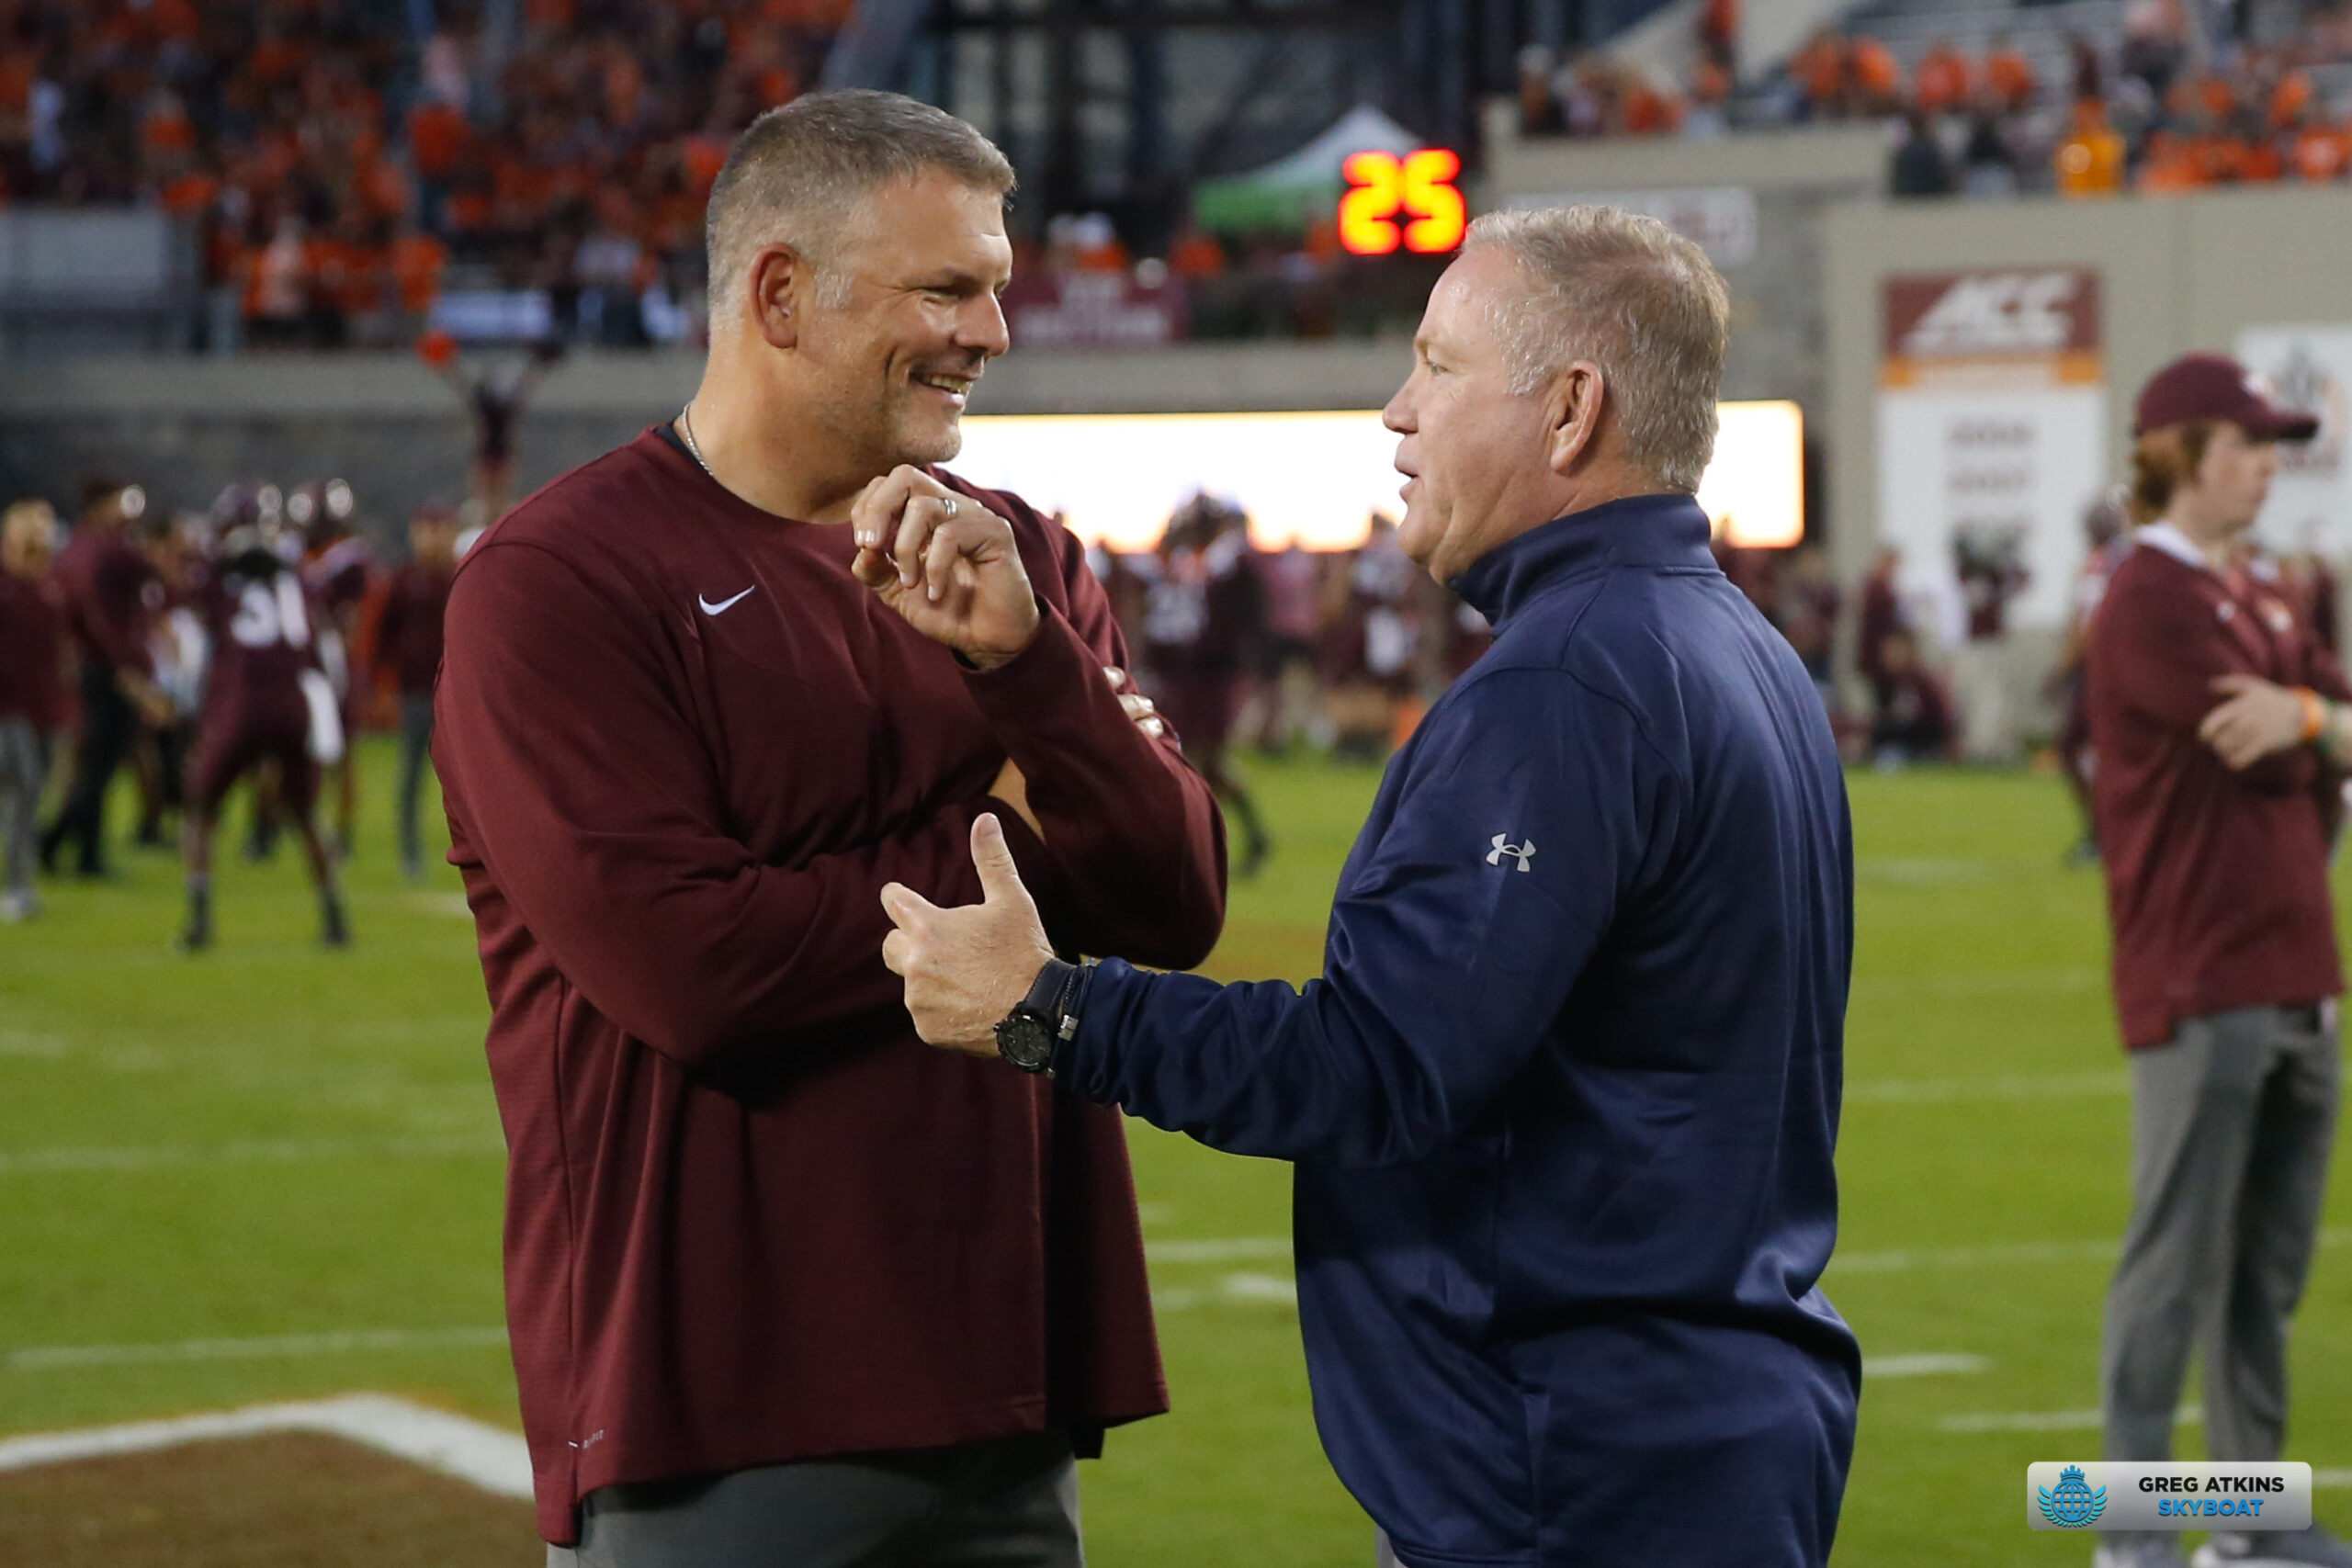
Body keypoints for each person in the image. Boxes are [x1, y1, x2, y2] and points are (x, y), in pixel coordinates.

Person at [883, 205, 1859, 1567]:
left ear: (1570, 409)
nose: (1398, 410)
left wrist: (1052, 1008)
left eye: (1438, 366)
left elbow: (1381, 1068)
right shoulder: (1732, 646)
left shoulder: (1570, 680)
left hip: (1574, 1459)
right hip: (1689, 1423)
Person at [430, 90, 1226, 1566]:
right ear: (781, 294)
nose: (991, 331)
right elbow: (697, 972)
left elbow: (1176, 899)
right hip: (716, 1406)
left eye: (994, 287)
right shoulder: (560, 581)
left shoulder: (1018, 559)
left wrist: (1030, 669)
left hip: (1012, 1386)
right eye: (946, 289)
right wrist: (1008, 845)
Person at [2084, 355, 2352, 1568]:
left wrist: (2308, 718)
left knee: (2262, 1275)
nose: (2267, 465)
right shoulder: (2150, 597)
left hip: (2298, 970)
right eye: (2246, 444)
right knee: (2173, 1265)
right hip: (2202, 973)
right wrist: (2313, 732)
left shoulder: (2266, 594)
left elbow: (2309, 729)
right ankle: (2129, 1534)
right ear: (2179, 454)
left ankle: (2249, 1524)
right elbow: (2271, 754)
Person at [178, 502, 349, 953]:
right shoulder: (297, 587)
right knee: (307, 815)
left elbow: (195, 606)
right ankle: (335, 916)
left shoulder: (222, 588)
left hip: (241, 707)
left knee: (200, 811)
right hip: (294, 706)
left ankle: (199, 921)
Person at [40, 477, 165, 879]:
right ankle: (62, 846)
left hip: (89, 667)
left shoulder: (73, 547)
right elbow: (151, 573)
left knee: (95, 766)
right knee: (100, 766)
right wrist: (124, 666)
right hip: (108, 669)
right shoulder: (106, 549)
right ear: (101, 505)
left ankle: (73, 849)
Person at [376, 502, 458, 881]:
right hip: (415, 693)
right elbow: (385, 635)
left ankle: (476, 850)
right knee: (411, 775)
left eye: (440, 529)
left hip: (454, 694)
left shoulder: (459, 576)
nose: (434, 538)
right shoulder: (405, 579)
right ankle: (411, 851)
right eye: (428, 529)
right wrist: (383, 685)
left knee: (464, 777)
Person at [0, 498, 68, 922]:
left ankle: (20, 882)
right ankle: (15, 886)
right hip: (6, 708)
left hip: (42, 704)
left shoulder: (49, 587)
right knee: (22, 786)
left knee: (33, 794)